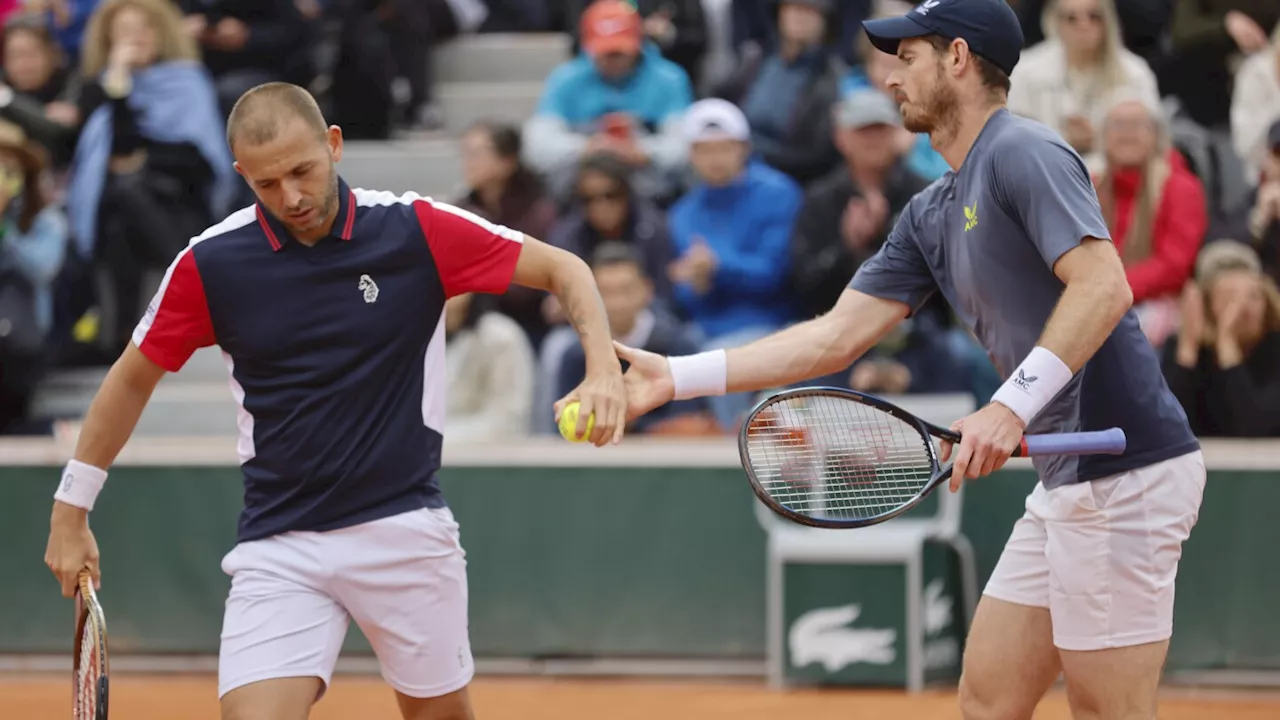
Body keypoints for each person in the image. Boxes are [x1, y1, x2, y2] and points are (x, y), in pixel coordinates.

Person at [605, 1, 1206, 718]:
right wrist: (678, 375)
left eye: (909, 57)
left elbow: (1104, 286)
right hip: (1068, 478)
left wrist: (1008, 406)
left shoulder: (1023, 151)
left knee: (1106, 712)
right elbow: (833, 339)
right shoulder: (930, 211)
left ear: (958, 58)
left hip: (1124, 474)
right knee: (988, 700)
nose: (892, 78)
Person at [44, 81, 627, 720]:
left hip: (403, 527)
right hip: (280, 543)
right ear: (241, 174)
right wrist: (71, 508)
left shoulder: (415, 229)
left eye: (303, 170)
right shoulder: (210, 264)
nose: (291, 197)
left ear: (334, 145)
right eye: (267, 183)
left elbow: (565, 269)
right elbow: (131, 378)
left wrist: (603, 368)